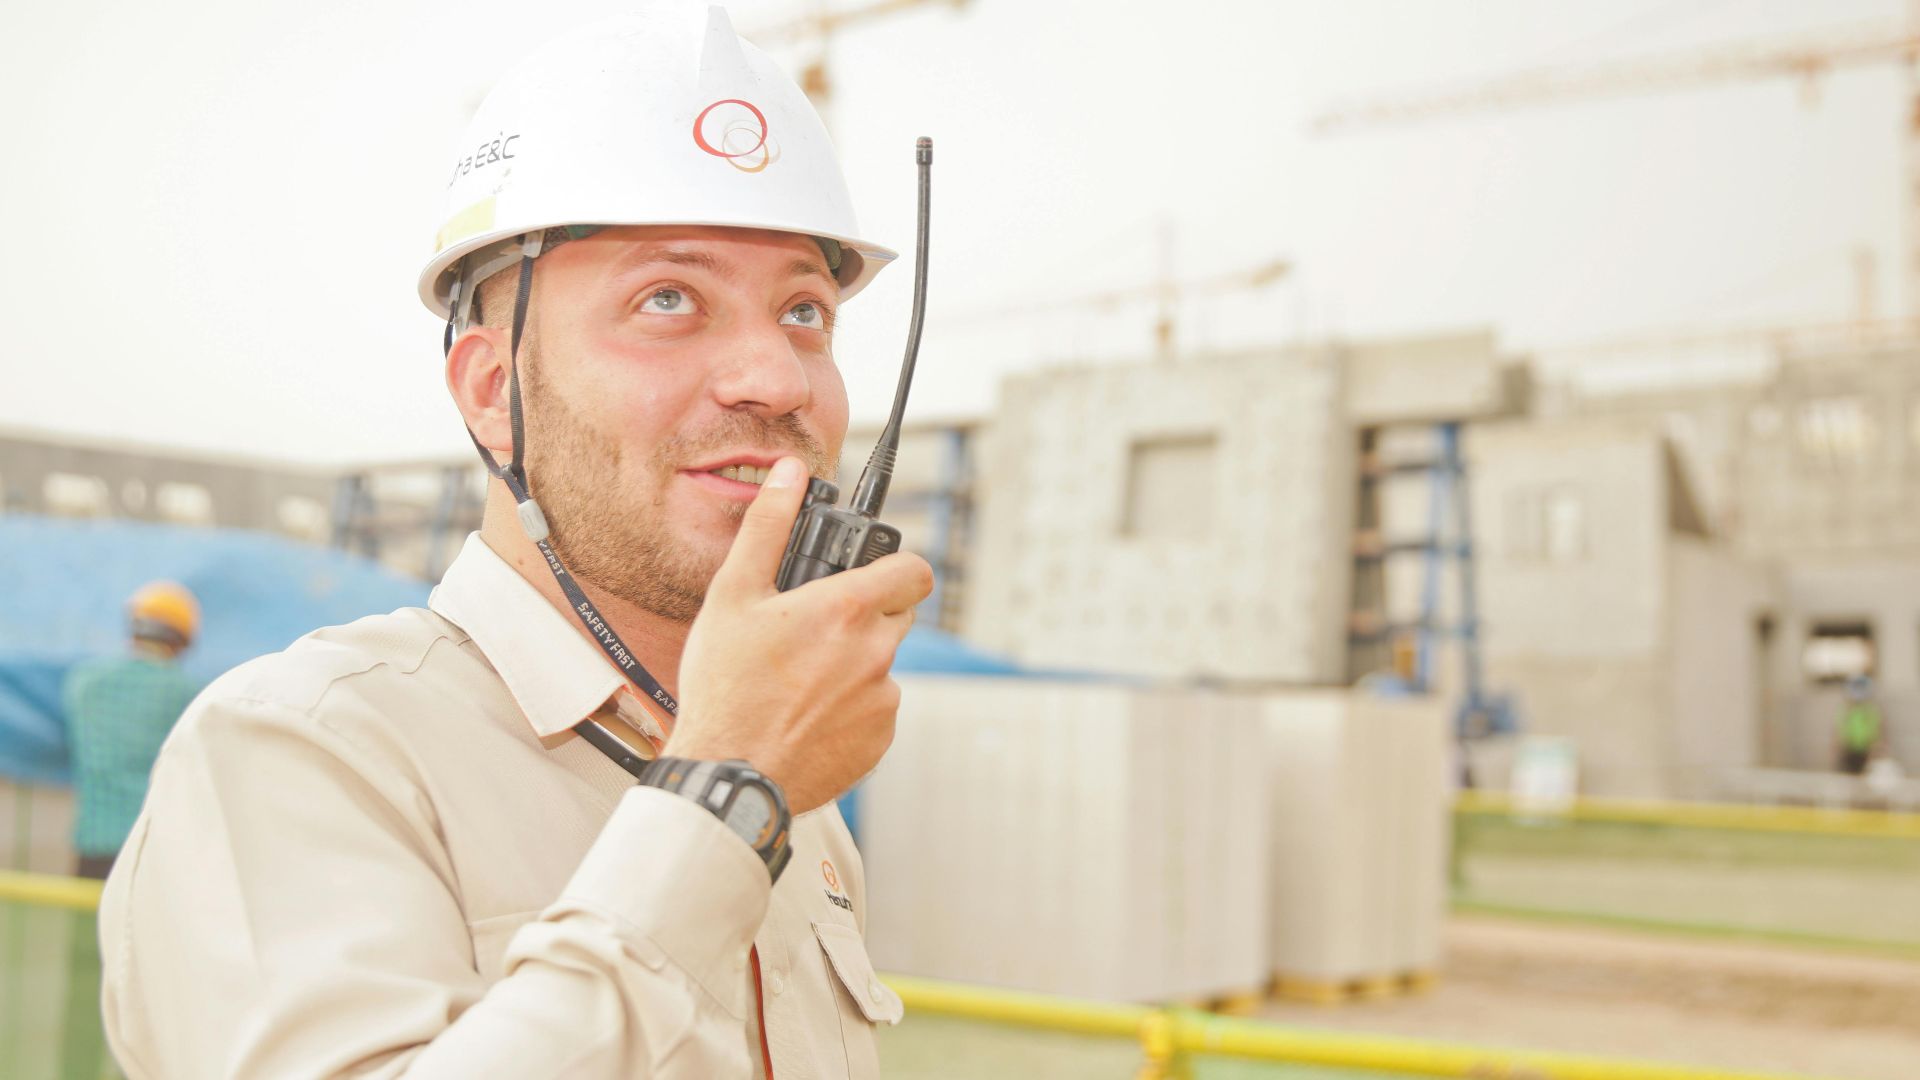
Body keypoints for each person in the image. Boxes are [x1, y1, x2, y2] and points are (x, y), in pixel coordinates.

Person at [98, 6, 933, 1078]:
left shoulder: (802, 815)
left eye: (807, 311)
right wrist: (723, 803)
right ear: (494, 394)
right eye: (668, 299)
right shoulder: (301, 753)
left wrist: (745, 782)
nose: (775, 377)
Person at [62, 579, 201, 880]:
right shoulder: (185, 692)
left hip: (93, 844)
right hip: (153, 845)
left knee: (90, 926)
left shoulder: (83, 681)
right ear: (181, 639)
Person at [1836, 674, 1886, 776]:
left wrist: (1876, 747)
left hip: (1866, 749)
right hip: (1849, 749)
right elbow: (1839, 731)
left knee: (1865, 775)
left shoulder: (1871, 710)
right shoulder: (1846, 710)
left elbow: (1878, 730)